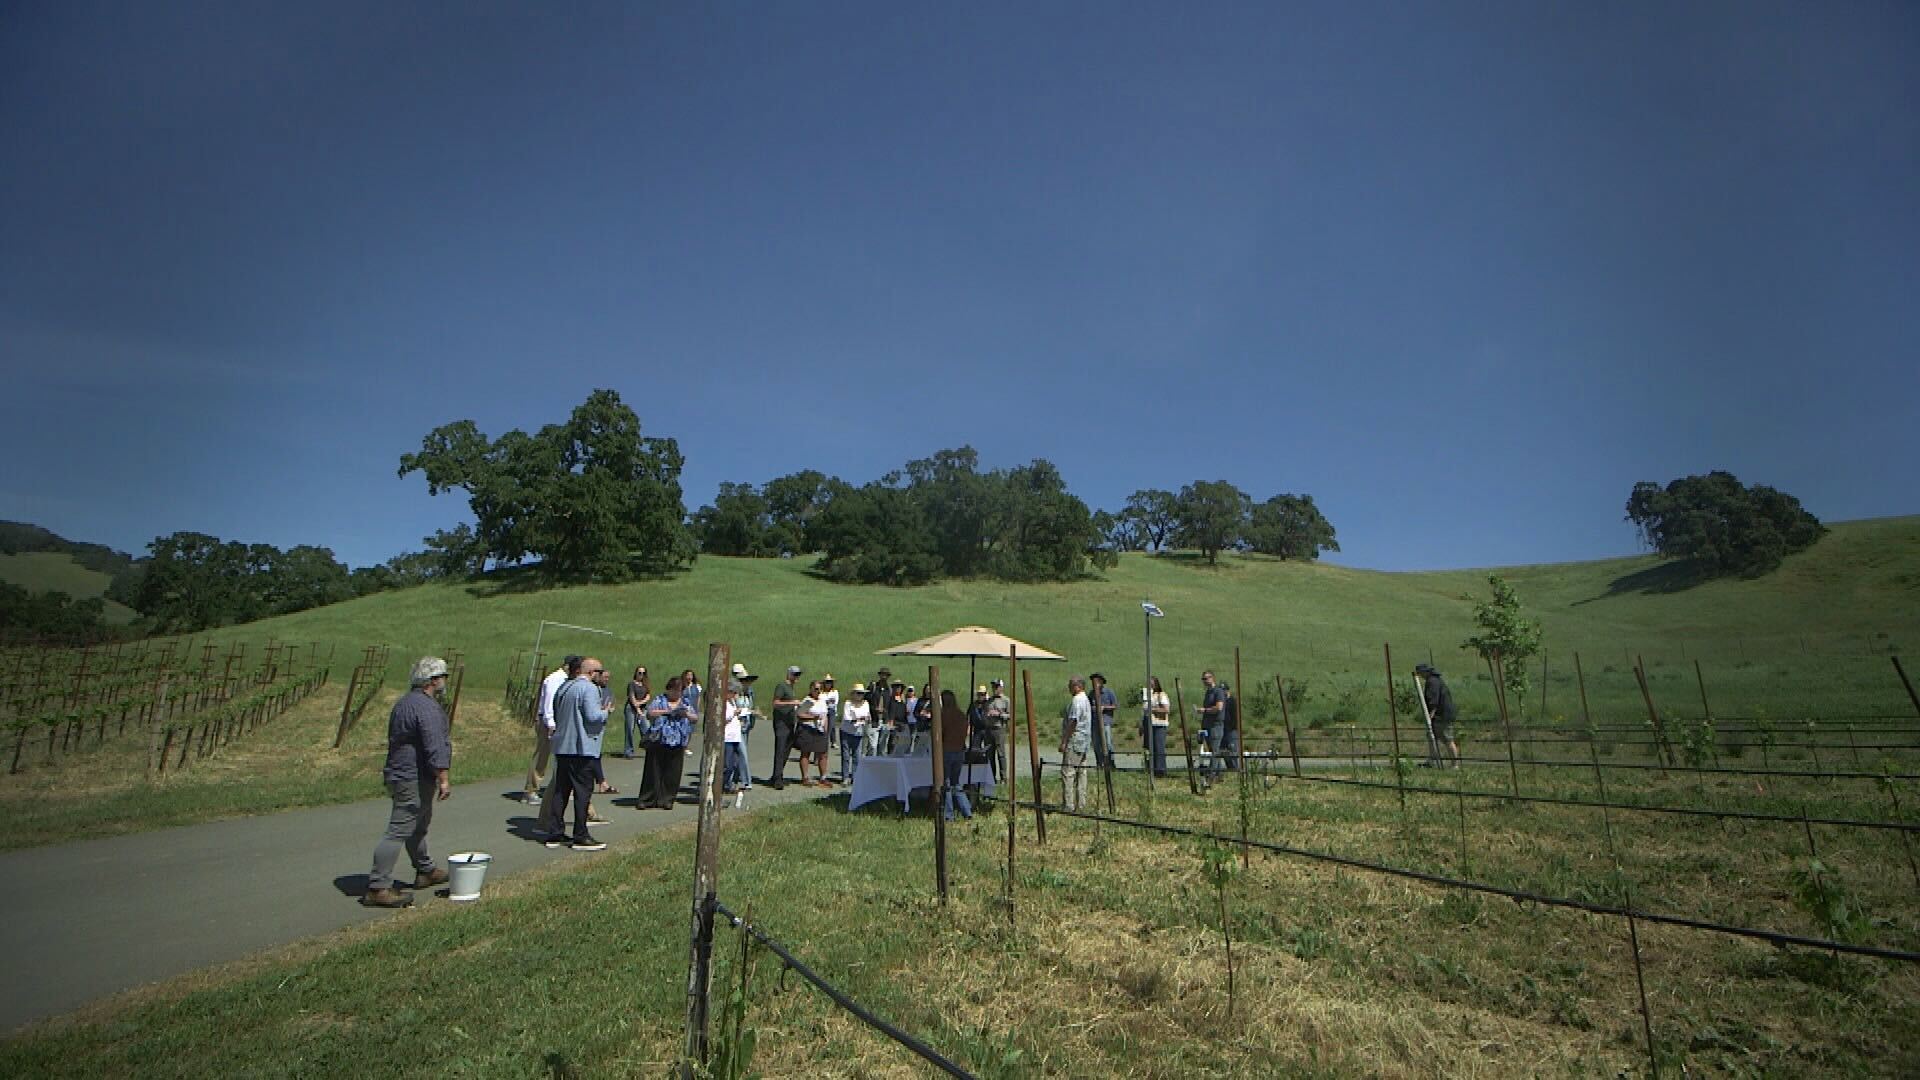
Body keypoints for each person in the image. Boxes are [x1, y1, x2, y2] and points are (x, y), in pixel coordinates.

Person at [363, 657, 453, 908]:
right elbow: (435, 744)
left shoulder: (404, 703)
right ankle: (378, 886)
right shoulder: (426, 708)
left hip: (400, 772)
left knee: (417, 825)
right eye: (443, 677)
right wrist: (443, 778)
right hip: (412, 776)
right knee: (399, 830)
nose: (445, 682)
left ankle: (425, 870)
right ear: (432, 681)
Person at [547, 657, 611, 851]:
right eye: (599, 672)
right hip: (581, 748)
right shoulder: (589, 689)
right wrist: (605, 712)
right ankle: (580, 835)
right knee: (583, 792)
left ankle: (555, 833)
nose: (601, 675)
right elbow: (592, 716)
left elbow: (556, 712)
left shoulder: (565, 688)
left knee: (561, 792)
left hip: (562, 747)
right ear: (591, 673)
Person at [523, 655, 581, 805]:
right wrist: (551, 724)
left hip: (559, 721)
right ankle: (531, 789)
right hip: (548, 722)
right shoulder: (555, 679)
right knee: (542, 756)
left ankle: (561, 788)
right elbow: (549, 703)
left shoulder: (566, 680)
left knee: (561, 756)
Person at [639, 676, 698, 809]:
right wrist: (667, 711)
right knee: (653, 771)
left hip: (677, 741)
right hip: (659, 739)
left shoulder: (685, 702)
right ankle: (647, 799)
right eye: (674, 690)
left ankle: (667, 799)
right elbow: (650, 713)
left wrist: (686, 714)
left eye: (679, 690)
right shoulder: (660, 700)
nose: (677, 693)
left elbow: (695, 717)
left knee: (672, 772)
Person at [1416, 663, 1460, 768]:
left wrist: (1430, 715)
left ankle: (1455, 765)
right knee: (1432, 738)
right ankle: (1432, 761)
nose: (1420, 676)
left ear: (1426, 672)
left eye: (1420, 673)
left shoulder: (1432, 682)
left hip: (1441, 716)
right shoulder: (1435, 680)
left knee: (1447, 739)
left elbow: (1433, 700)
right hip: (1441, 715)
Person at [1059, 677, 1093, 812]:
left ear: (1077, 686)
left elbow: (1073, 721)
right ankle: (1081, 803)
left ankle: (1068, 804)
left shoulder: (1077, 700)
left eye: (1070, 685)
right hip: (1084, 740)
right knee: (1082, 772)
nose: (1069, 688)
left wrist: (1064, 741)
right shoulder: (1086, 700)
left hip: (1075, 740)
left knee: (1068, 772)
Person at [939, 689, 973, 821]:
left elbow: (940, 734)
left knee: (947, 783)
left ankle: (948, 814)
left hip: (947, 750)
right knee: (956, 783)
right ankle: (967, 811)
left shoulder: (944, 716)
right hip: (960, 751)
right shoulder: (961, 715)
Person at [767, 665, 803, 788]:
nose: (797, 677)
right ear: (789, 674)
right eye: (795, 674)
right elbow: (775, 703)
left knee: (787, 749)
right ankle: (777, 779)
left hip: (790, 722)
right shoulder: (782, 686)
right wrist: (792, 702)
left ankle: (777, 774)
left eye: (798, 675)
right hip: (781, 722)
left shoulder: (791, 688)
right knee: (780, 749)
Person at [1199, 670, 1237, 781]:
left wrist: (1205, 710)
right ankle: (1218, 774)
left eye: (1206, 678)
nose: (1205, 681)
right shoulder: (1208, 692)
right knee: (1212, 750)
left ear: (1212, 678)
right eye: (1203, 679)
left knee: (1215, 751)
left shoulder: (1218, 692)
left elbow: (1218, 707)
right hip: (1207, 725)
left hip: (1215, 726)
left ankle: (1212, 774)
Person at [793, 680, 831, 785]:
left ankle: (823, 777)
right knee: (806, 753)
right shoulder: (807, 701)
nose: (818, 691)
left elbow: (825, 716)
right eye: (816, 689)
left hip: (820, 730)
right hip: (808, 729)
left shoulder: (822, 700)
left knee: (823, 754)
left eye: (820, 689)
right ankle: (805, 777)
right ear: (811, 689)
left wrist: (826, 730)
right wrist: (812, 717)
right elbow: (799, 714)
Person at [839, 682, 871, 783]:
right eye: (858, 693)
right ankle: (845, 777)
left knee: (857, 756)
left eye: (861, 693)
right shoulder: (848, 704)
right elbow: (848, 718)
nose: (860, 695)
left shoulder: (866, 704)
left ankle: (855, 777)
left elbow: (867, 717)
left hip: (858, 733)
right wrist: (860, 719)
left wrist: (861, 719)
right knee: (846, 755)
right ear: (853, 694)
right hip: (846, 732)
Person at [981, 679, 1012, 783]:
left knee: (1001, 754)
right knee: (989, 754)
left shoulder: (1006, 700)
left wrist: (999, 714)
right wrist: (986, 716)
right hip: (989, 729)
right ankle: (991, 777)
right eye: (994, 686)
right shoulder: (988, 701)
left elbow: (1010, 715)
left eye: (997, 686)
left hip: (999, 729)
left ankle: (1004, 778)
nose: (995, 688)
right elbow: (984, 714)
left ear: (1001, 687)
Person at [620, 665, 651, 759]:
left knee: (646, 729)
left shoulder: (646, 685)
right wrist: (637, 708)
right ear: (636, 673)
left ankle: (649, 749)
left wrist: (640, 703)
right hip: (631, 708)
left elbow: (648, 696)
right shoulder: (632, 684)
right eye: (639, 673)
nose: (641, 675)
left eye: (643, 673)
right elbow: (631, 697)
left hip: (643, 708)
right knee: (630, 729)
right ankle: (628, 751)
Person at [1143, 676, 1170, 778]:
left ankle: (1160, 770)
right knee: (1150, 748)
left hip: (1159, 724)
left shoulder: (1161, 695)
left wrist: (1153, 709)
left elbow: (1166, 710)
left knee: (1159, 748)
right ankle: (1152, 769)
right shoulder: (1147, 696)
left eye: (1151, 684)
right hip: (1149, 724)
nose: (1149, 685)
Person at [1089, 673, 1118, 769]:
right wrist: (1093, 708)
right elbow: (1089, 706)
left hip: (1105, 722)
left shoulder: (1109, 692)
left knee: (1108, 743)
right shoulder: (1091, 694)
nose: (1094, 684)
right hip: (1094, 722)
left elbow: (1115, 706)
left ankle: (1110, 763)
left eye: (1096, 681)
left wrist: (1104, 707)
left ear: (1101, 682)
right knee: (1096, 744)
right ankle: (1099, 763)